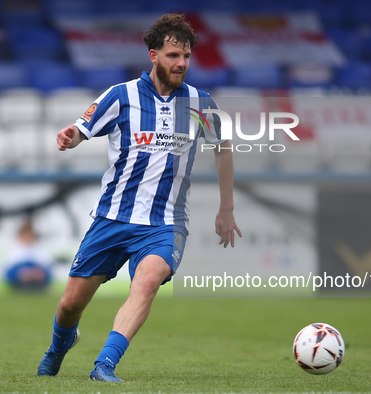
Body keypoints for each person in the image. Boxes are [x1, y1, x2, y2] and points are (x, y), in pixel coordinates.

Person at [37, 13, 242, 382]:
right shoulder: (121, 95)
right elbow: (82, 129)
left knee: (147, 282)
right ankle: (59, 346)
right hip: (113, 218)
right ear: (153, 55)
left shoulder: (201, 102)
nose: (181, 63)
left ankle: (105, 364)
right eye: (172, 56)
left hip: (165, 223)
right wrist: (72, 137)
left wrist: (226, 208)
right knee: (70, 305)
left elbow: (223, 148)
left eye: (186, 56)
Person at [4, 220, 53, 292]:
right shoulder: (14, 252)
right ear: (20, 236)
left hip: (39, 286)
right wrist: (21, 273)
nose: (28, 238)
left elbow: (48, 271)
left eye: (30, 235)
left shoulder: (41, 252)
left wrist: (38, 273)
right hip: (19, 286)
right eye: (25, 235)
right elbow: (8, 273)